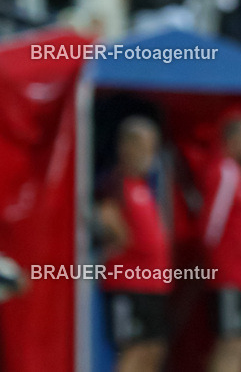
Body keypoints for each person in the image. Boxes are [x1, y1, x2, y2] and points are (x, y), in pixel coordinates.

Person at [95, 116, 171, 372]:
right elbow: (107, 218)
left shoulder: (143, 186)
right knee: (133, 349)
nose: (149, 154)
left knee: (154, 348)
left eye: (152, 147)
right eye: (144, 146)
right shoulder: (115, 183)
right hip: (128, 283)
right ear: (125, 147)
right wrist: (121, 238)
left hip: (153, 285)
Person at [201, 115, 241, 372]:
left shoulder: (239, 175)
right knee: (230, 343)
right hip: (231, 278)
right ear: (233, 139)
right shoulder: (225, 172)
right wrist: (223, 268)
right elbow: (211, 227)